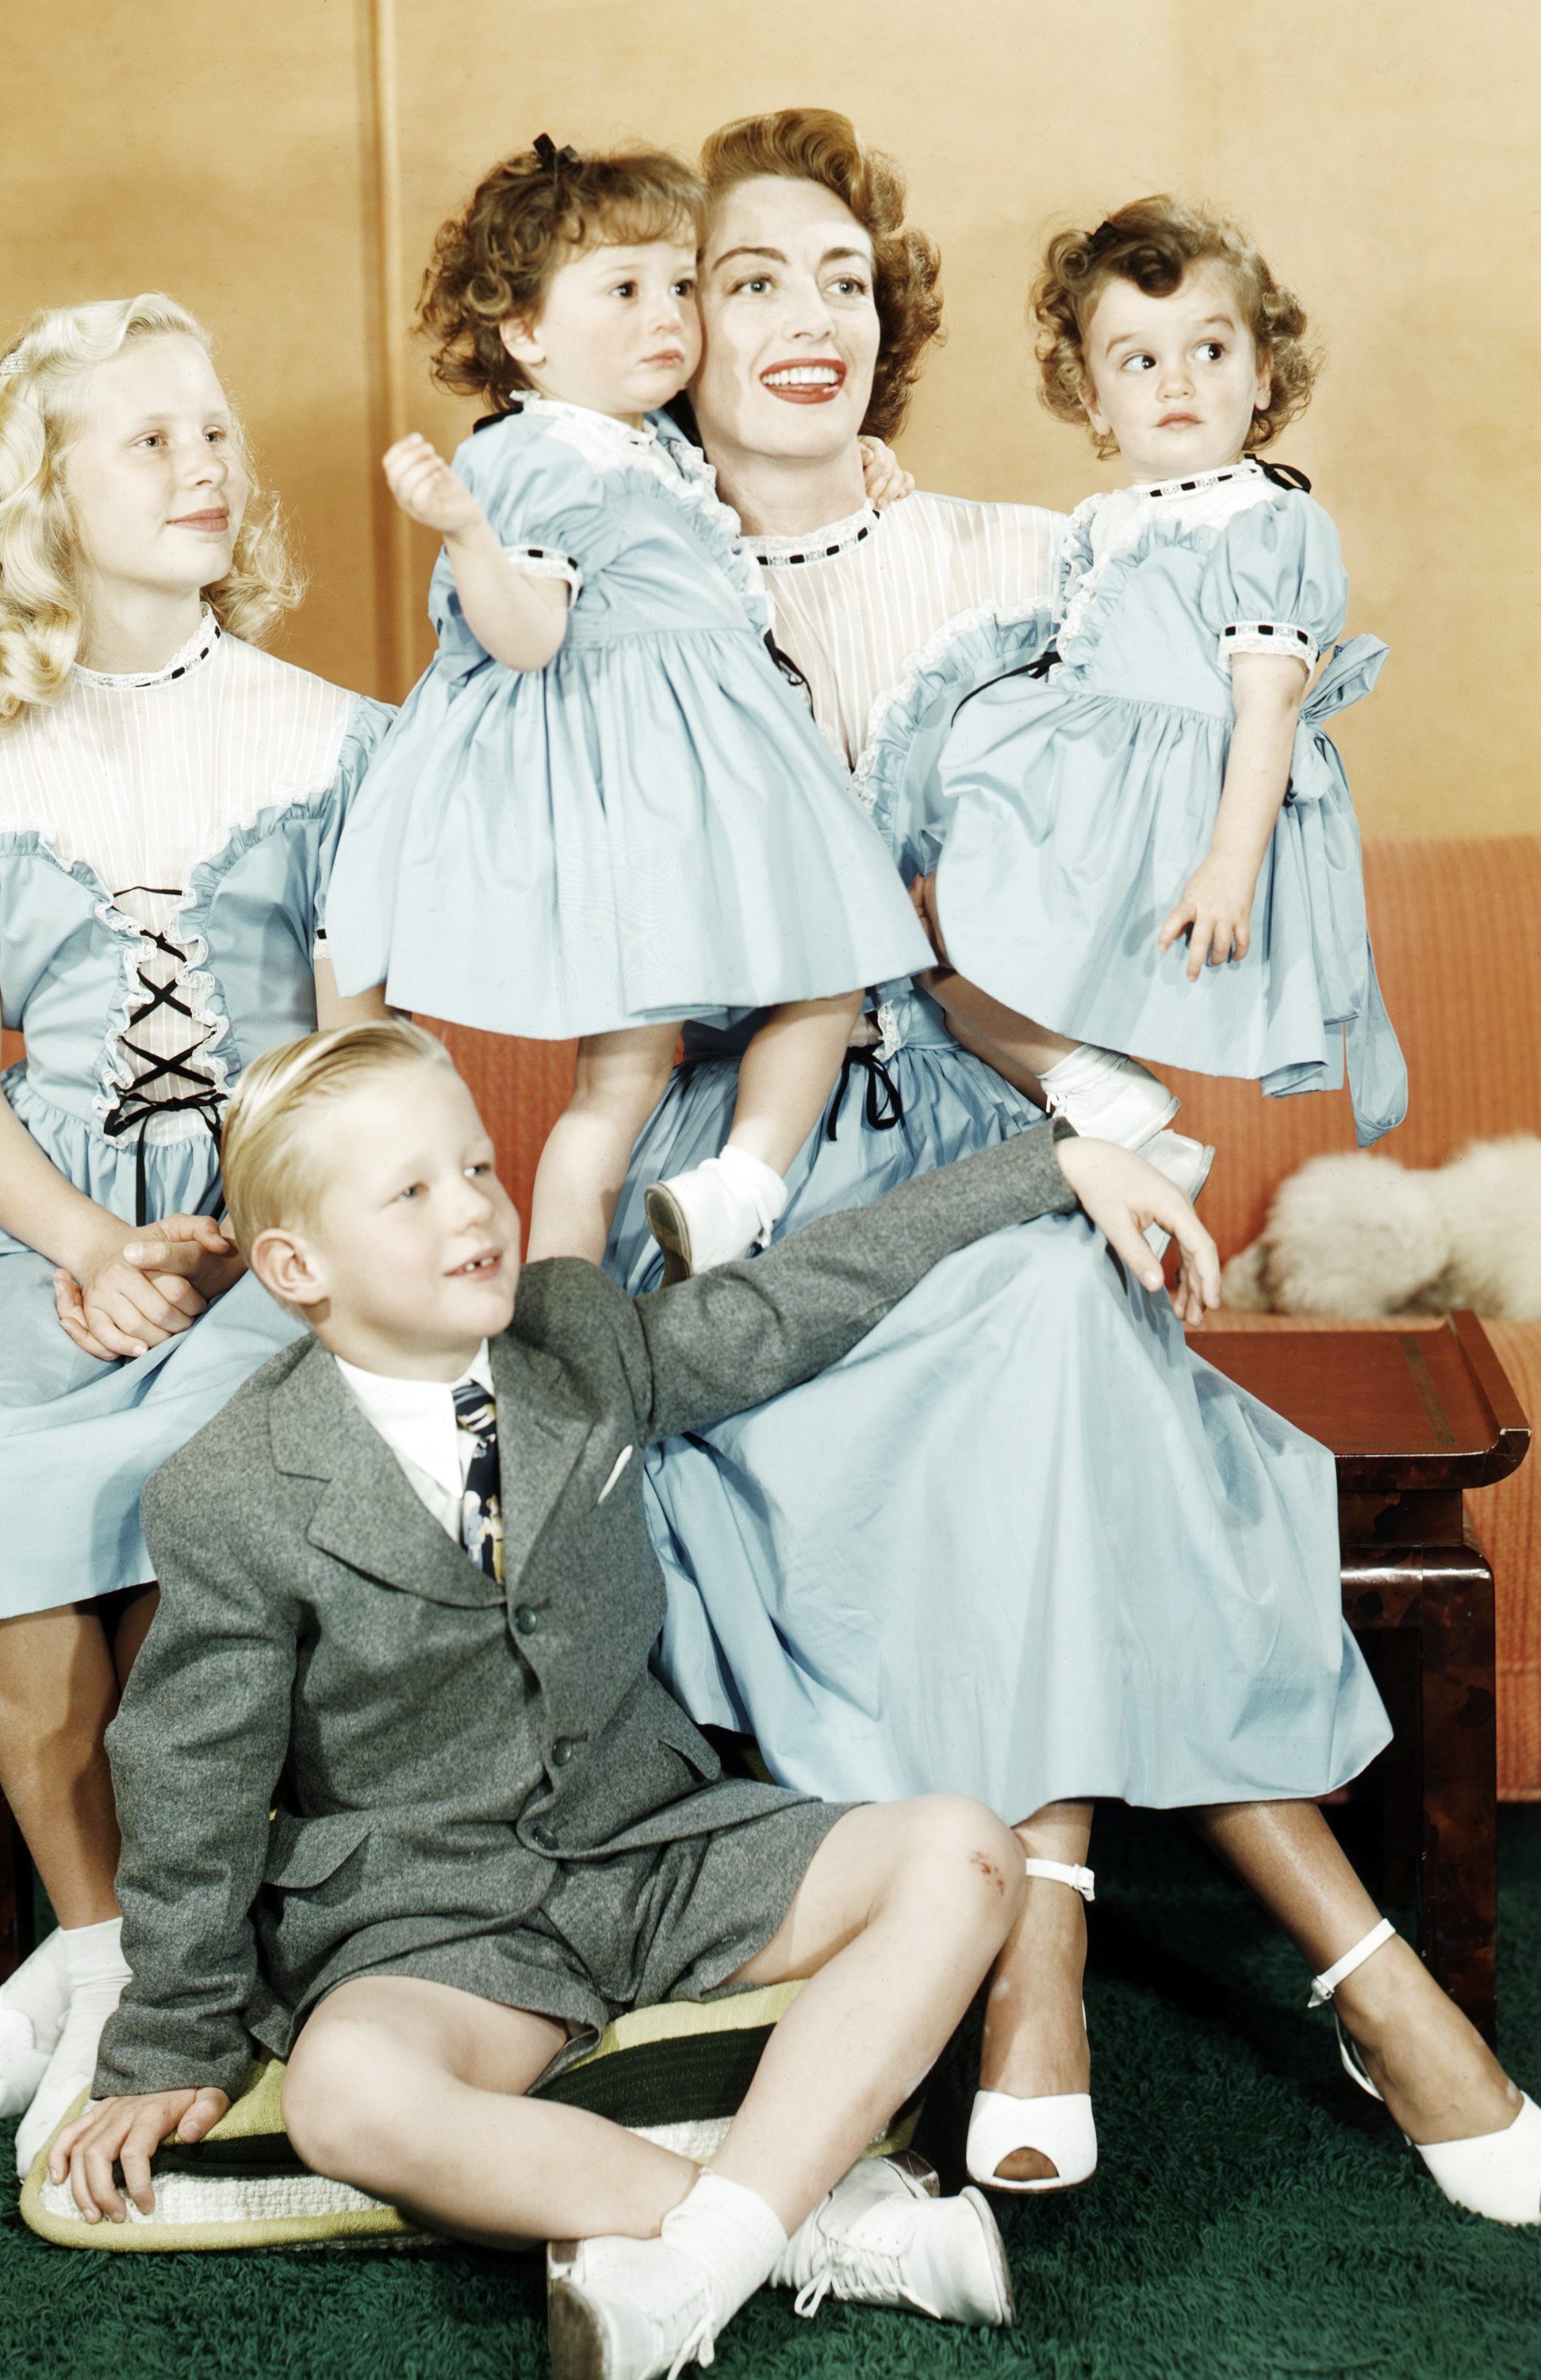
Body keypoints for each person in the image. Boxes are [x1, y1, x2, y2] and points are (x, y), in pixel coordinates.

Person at [607, 109, 1537, 2222]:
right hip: (738, 1178)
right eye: (752, 277)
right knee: (1044, 1364)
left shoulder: (1035, 560)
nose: (810, 315)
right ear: (674, 327)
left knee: (1051, 1314)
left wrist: (1097, 1117)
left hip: (990, 1107)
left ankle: (1053, 1959)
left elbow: (1110, 869)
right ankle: (1364, 1982)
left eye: (846, 276)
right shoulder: (614, 591)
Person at [50, 1020, 1217, 2378]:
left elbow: (806, 1294)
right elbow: (188, 1777)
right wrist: (165, 2042)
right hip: (427, 1915)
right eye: (412, 1192)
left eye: (477, 1165)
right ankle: (814, 2225)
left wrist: (1058, 1164)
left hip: (660, 1849)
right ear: (297, 1267)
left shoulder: (577, 1341)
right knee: (346, 2100)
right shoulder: (233, 1486)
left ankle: (705, 2259)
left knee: (966, 1849)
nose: (476, 1206)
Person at [0, 294, 389, 2175]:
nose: (197, 465)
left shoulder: (335, 743)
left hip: (272, 1216)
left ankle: (159, 1958)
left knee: (195, 1459)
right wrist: (85, 1243)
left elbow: (352, 1059)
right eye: (142, 438)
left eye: (211, 430)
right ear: (45, 490)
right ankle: (94, 1950)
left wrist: (249, 1230)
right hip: (34, 1213)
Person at [322, 137, 932, 1273]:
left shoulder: (646, 441)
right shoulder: (539, 456)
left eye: (683, 286)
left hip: (707, 783)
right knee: (654, 1060)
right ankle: (576, 1295)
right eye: (625, 290)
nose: (670, 316)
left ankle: (716, 1199)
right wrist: (465, 532)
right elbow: (529, 636)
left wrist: (871, 463)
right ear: (527, 334)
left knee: (761, 1006)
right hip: (651, 798)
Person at [888, 195, 1406, 1170]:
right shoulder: (1110, 516)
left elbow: (1270, 708)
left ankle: (1098, 1095)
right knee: (922, 949)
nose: (1178, 381)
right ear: (1093, 398)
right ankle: (1100, 1106)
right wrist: (877, 468)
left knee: (948, 951)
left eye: (1210, 352)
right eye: (1140, 360)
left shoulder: (1264, 519)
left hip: (1164, 817)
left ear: (1263, 379)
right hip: (1083, 796)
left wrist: (1228, 866)